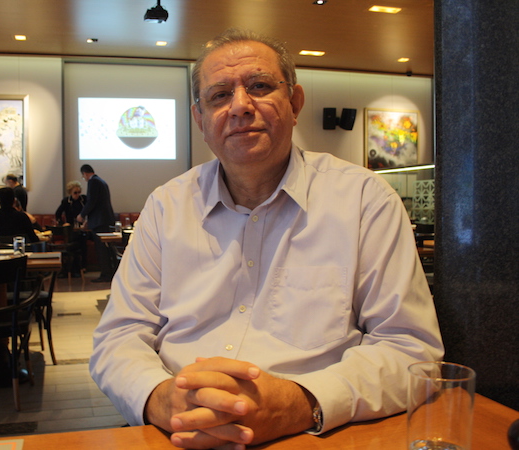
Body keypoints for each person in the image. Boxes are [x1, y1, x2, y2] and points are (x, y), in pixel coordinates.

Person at [89, 29, 444, 449]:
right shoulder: (166, 206)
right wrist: (158, 397)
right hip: (178, 435)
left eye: (259, 86)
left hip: (311, 436)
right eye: (219, 95)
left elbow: (411, 348)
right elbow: (118, 335)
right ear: (200, 119)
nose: (240, 106)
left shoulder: (365, 201)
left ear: (295, 103)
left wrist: (301, 403)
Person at [76, 165, 115, 283]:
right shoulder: (102, 182)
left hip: (99, 222)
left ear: (85, 173)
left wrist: (82, 215)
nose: (84, 178)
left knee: (101, 249)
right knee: (106, 249)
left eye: (83, 176)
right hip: (104, 219)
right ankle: (110, 272)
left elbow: (91, 202)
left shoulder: (93, 182)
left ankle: (106, 274)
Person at [54, 181, 88, 278]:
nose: (77, 195)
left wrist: (86, 222)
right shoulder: (66, 201)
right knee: (76, 240)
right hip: (70, 228)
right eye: (75, 193)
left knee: (82, 239)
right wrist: (63, 223)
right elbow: (58, 214)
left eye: (79, 192)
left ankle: (80, 267)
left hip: (82, 227)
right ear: (70, 193)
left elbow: (90, 211)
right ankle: (75, 268)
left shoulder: (84, 199)